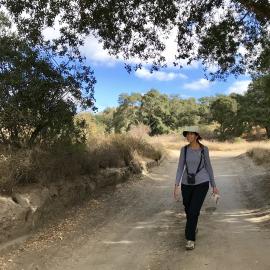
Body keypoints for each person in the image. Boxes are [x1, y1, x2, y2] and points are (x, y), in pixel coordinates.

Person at [173, 126, 220, 250]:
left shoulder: (204, 150)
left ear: (196, 135)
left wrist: (214, 185)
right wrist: (176, 185)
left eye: (191, 134)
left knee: (194, 210)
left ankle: (190, 239)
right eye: (187, 134)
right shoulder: (184, 150)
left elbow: (209, 167)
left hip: (202, 182)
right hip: (186, 183)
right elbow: (180, 168)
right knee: (188, 209)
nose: (188, 136)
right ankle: (193, 227)